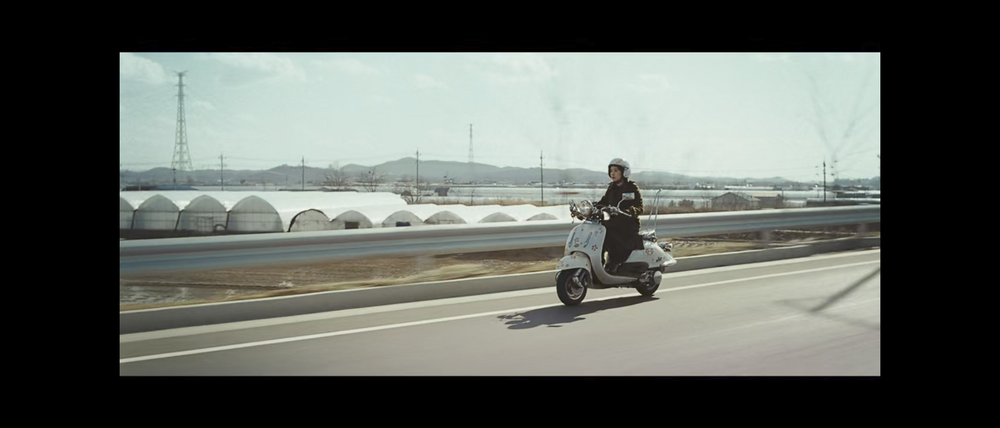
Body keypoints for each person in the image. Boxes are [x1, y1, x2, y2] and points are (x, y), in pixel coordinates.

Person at [595, 158, 644, 274]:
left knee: (614, 244)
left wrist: (629, 211)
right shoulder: (611, 188)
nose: (612, 173)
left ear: (624, 172)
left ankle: (614, 265)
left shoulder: (631, 187)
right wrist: (593, 207)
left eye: (616, 170)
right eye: (611, 170)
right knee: (598, 238)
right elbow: (604, 202)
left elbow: (640, 207)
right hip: (612, 224)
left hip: (627, 227)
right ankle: (598, 266)